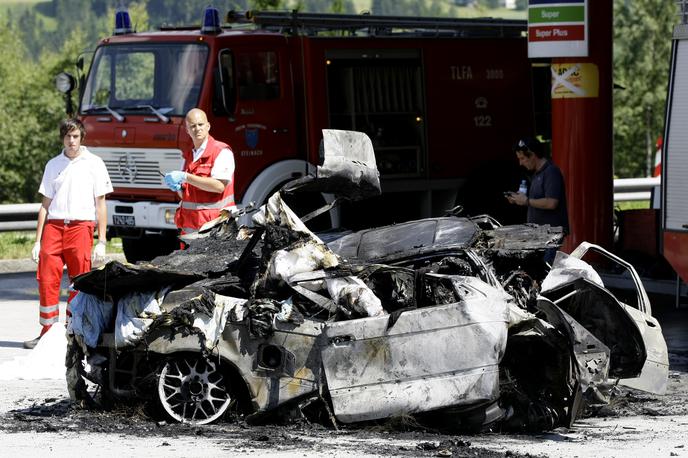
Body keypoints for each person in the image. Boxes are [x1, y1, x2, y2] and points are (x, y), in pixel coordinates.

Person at [25, 118, 113, 349]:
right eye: (67, 136)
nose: (71, 141)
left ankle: (74, 332)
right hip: (54, 226)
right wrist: (37, 240)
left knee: (80, 282)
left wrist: (101, 241)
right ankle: (47, 332)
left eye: (75, 136)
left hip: (81, 227)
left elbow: (101, 204)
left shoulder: (94, 163)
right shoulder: (53, 164)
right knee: (46, 279)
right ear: (62, 138)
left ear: (81, 137)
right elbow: (45, 204)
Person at [164, 108, 235, 234]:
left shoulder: (221, 151)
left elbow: (219, 187)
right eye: (193, 126)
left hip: (215, 227)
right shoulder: (189, 156)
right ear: (187, 130)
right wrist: (179, 189)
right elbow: (187, 195)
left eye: (200, 124)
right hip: (190, 228)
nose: (197, 129)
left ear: (208, 126)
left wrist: (186, 177)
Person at [506, 137, 569, 263]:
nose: (521, 163)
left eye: (522, 158)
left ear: (533, 155)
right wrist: (519, 199)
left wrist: (527, 201)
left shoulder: (551, 172)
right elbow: (536, 201)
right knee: (540, 271)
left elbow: (552, 203)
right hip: (541, 234)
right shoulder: (537, 174)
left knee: (546, 270)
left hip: (552, 233)